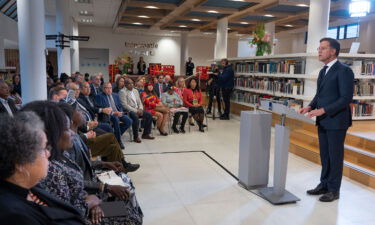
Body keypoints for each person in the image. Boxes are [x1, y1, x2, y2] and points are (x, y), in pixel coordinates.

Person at [0, 112, 85, 225]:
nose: (48, 153)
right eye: (44, 148)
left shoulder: (31, 187)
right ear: (20, 163)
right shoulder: (13, 216)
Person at [299, 38, 354, 202]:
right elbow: (320, 95)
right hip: (323, 120)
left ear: (333, 51)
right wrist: (309, 106)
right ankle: (324, 184)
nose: (319, 51)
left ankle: (334, 190)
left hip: (337, 121)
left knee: (335, 156)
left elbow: (345, 98)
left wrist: (323, 110)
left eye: (323, 48)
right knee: (325, 155)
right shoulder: (323, 71)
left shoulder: (344, 70)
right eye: (319, 48)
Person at [95, 82, 133, 149]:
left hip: (118, 113)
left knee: (129, 121)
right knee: (115, 119)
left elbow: (119, 106)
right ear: (103, 89)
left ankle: (115, 136)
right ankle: (118, 141)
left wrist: (120, 112)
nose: (109, 90)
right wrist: (113, 113)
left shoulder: (115, 95)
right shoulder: (99, 96)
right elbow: (100, 108)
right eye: (107, 88)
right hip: (108, 115)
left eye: (110, 88)